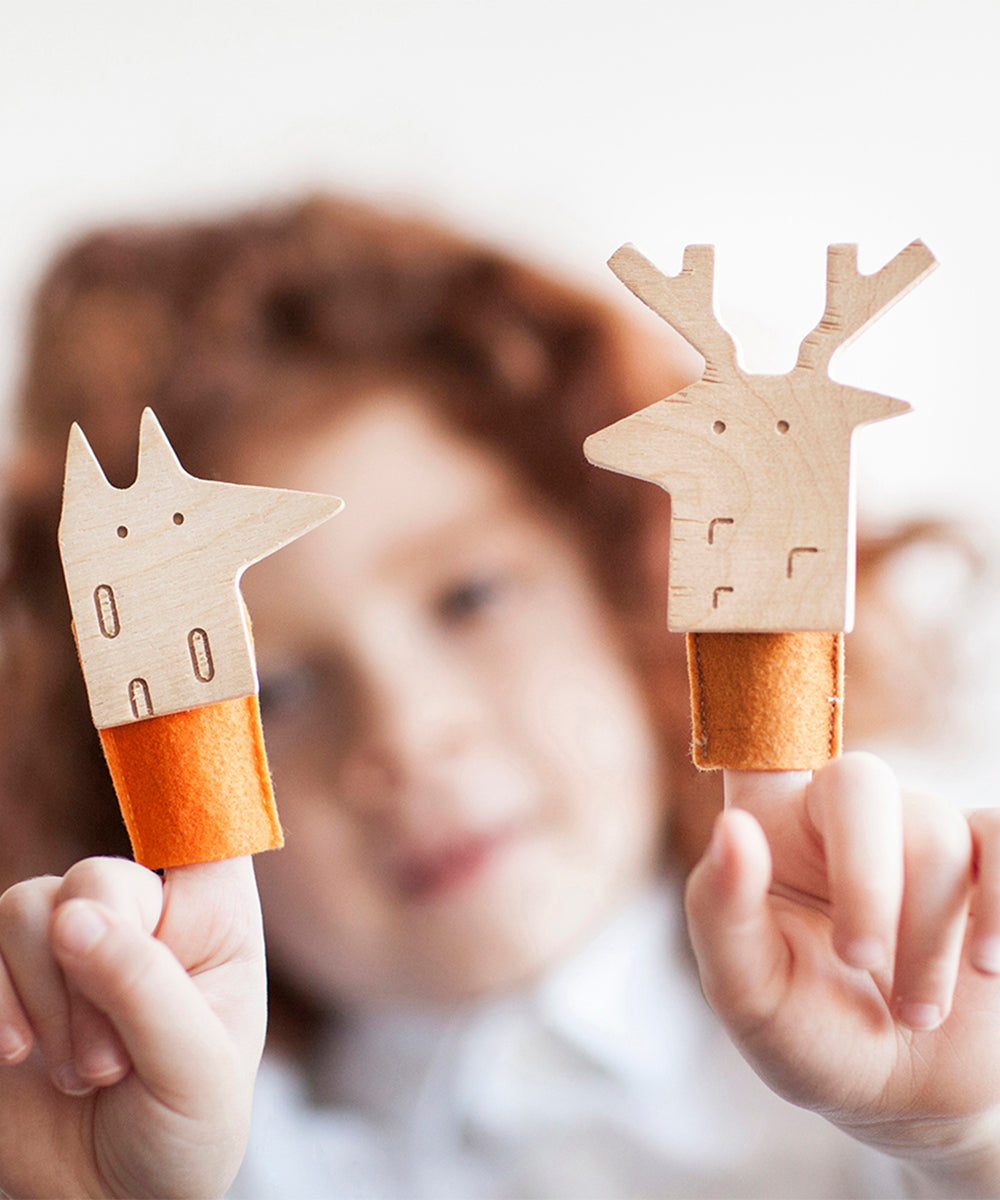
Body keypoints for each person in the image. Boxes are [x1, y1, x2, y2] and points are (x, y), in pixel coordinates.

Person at [0, 195, 996, 1199]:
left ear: (632, 601)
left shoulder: (895, 1082)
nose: (410, 734)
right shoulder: (173, 1164)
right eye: (275, 689)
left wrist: (970, 1140)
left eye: (470, 597)